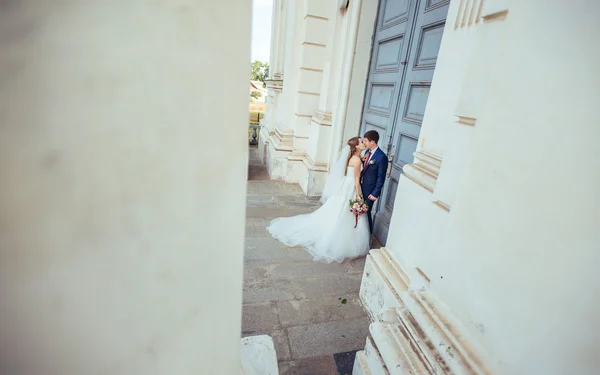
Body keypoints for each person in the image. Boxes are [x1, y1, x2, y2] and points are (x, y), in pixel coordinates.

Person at [266, 137, 370, 263]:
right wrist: (358, 196)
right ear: (357, 147)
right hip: (350, 188)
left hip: (344, 186)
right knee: (344, 212)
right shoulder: (357, 160)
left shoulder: (352, 158)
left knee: (338, 211)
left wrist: (362, 159)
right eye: (361, 142)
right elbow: (356, 180)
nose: (364, 144)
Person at [360, 130, 389, 234]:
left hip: (370, 192)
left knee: (366, 214)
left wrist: (375, 193)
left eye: (366, 141)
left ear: (372, 142)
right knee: (360, 214)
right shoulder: (367, 152)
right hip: (361, 187)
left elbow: (381, 177)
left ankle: (368, 236)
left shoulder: (382, 157)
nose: (364, 143)